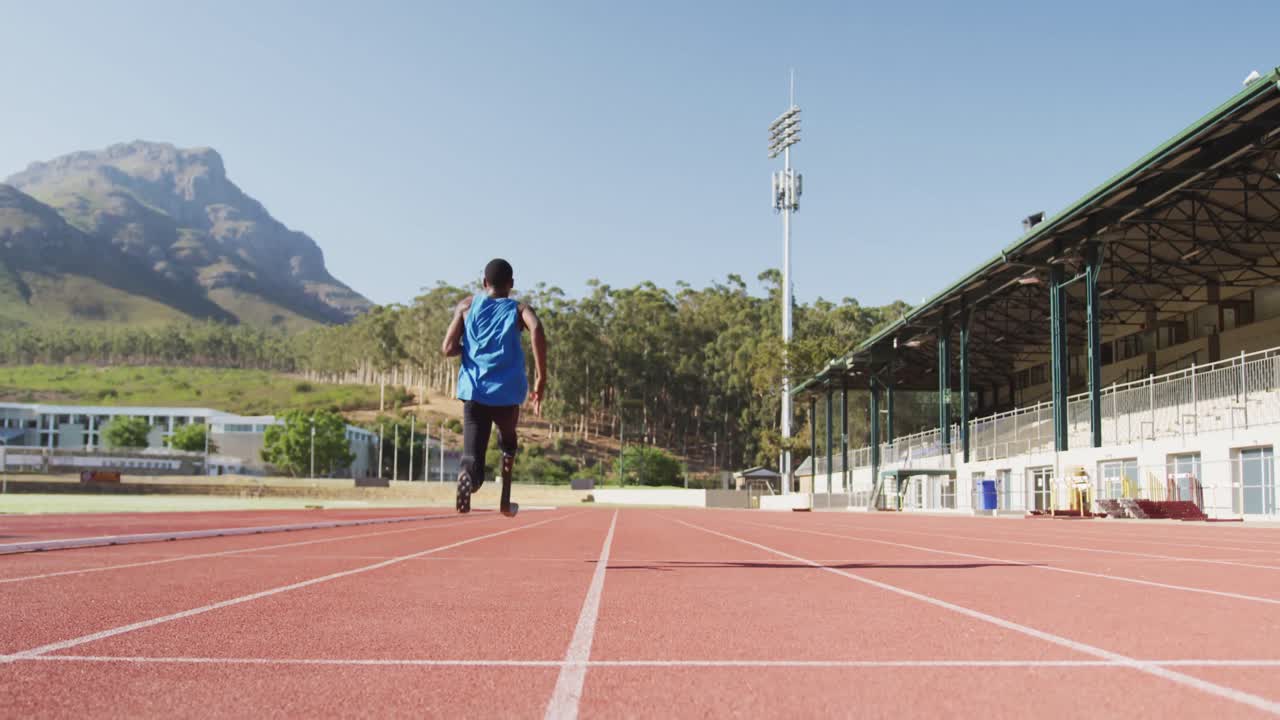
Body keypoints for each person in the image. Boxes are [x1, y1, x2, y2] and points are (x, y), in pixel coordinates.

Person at [441, 258, 547, 517]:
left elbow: (447, 348)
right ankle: (507, 464)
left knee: (471, 456)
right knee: (508, 437)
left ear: (484, 283)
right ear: (511, 284)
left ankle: (469, 477)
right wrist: (541, 377)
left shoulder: (466, 306)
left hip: (474, 393)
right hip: (507, 394)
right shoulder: (519, 309)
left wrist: (469, 350)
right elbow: (536, 328)